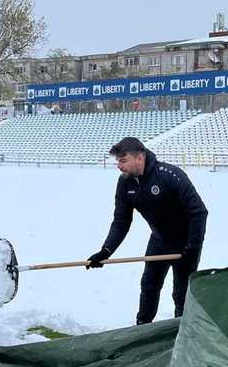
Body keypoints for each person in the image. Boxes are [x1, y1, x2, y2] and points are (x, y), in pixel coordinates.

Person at [86, 137, 208, 324]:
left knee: (181, 293)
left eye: (123, 160)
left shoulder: (170, 175)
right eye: (118, 161)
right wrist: (106, 251)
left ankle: (182, 331)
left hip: (186, 244)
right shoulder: (125, 183)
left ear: (140, 157)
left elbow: (199, 212)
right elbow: (121, 221)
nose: (119, 166)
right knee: (149, 286)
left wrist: (193, 246)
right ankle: (142, 328)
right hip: (159, 240)